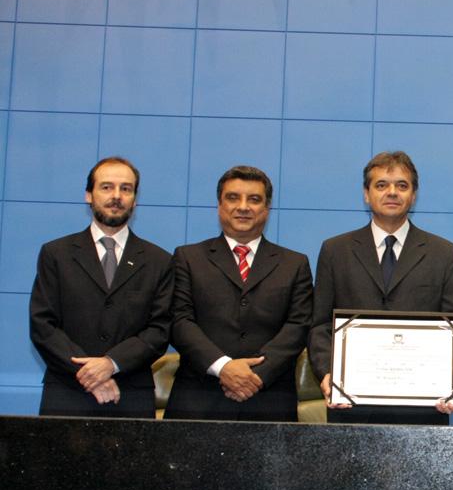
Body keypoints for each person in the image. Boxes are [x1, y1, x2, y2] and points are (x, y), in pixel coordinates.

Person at [308, 151, 453, 425]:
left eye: (402, 185)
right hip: (350, 404)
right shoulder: (335, 250)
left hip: (422, 407)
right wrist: (327, 374)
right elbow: (320, 324)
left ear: (413, 195)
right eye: (381, 185)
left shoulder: (443, 253)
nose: (392, 192)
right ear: (366, 194)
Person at [165, 166, 313, 422]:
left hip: (268, 398)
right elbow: (179, 321)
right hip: (199, 398)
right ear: (219, 205)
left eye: (254, 199)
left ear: (267, 208)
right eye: (233, 198)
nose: (243, 207)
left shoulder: (294, 264)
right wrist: (223, 367)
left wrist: (254, 375)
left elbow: (299, 326)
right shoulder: (188, 258)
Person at [30, 157, 173, 417]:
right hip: (67, 393)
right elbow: (43, 325)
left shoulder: (159, 261)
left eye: (126, 189)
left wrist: (111, 364)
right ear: (89, 195)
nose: (116, 196)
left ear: (135, 199)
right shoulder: (56, 254)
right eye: (107, 187)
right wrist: (89, 374)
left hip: (130, 396)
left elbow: (159, 331)